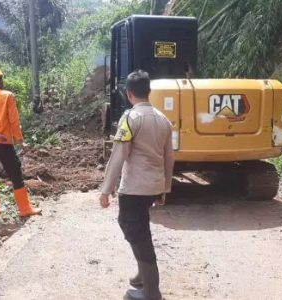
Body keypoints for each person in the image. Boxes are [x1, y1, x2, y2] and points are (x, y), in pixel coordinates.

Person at [99, 70, 174, 300]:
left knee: (135, 231)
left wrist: (106, 189)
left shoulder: (130, 118)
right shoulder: (164, 120)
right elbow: (169, 157)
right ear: (149, 92)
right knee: (139, 227)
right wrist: (165, 188)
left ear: (128, 93)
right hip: (153, 186)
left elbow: (119, 155)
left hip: (134, 188)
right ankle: (143, 275)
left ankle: (151, 291)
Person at [0, 66, 41, 217]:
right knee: (15, 173)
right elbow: (13, 120)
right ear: (0, 80)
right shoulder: (7, 96)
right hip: (4, 141)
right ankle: (24, 209)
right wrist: (20, 139)